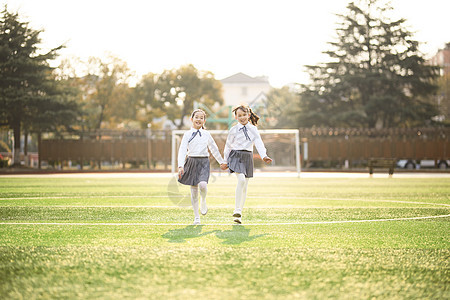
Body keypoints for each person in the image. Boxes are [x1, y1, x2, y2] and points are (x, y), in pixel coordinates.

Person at [223, 104, 272, 224]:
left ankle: (238, 215)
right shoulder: (233, 130)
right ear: (235, 117)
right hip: (236, 156)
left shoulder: (253, 129)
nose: (242, 117)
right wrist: (225, 161)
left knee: (245, 186)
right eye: (239, 115)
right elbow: (228, 146)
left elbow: (259, 143)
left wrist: (264, 156)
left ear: (249, 115)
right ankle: (237, 208)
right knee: (241, 180)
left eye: (244, 115)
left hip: (247, 157)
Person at [178, 109, 228, 225]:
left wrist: (221, 161)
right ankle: (196, 217)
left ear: (204, 121)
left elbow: (214, 149)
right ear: (192, 119)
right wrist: (180, 165)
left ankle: (204, 200)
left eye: (201, 118)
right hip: (191, 161)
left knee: (203, 185)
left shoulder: (206, 134)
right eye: (196, 117)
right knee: (194, 191)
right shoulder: (187, 134)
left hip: (204, 162)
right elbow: (182, 150)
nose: (199, 119)